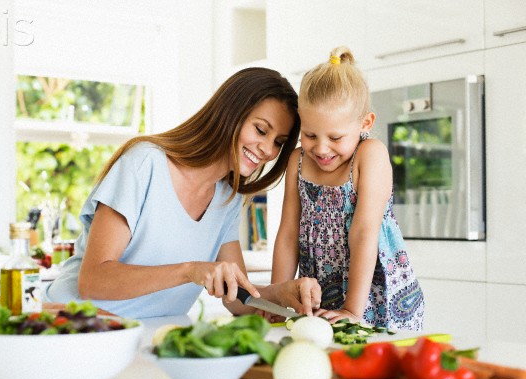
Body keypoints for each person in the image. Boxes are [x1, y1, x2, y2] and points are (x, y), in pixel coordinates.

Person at [46, 67, 321, 318]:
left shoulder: (228, 198)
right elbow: (93, 282)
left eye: (278, 142)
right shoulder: (144, 164)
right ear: (230, 113)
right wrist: (191, 270)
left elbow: (237, 298)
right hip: (76, 327)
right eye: (261, 130)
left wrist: (281, 292)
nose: (268, 150)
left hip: (154, 335)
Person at [271, 46, 425, 330]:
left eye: (335, 137)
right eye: (310, 134)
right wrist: (276, 301)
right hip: (320, 298)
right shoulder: (298, 160)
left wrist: (353, 308)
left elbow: (364, 231)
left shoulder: (370, 155)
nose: (321, 147)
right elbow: (288, 233)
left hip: (373, 298)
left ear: (365, 123)